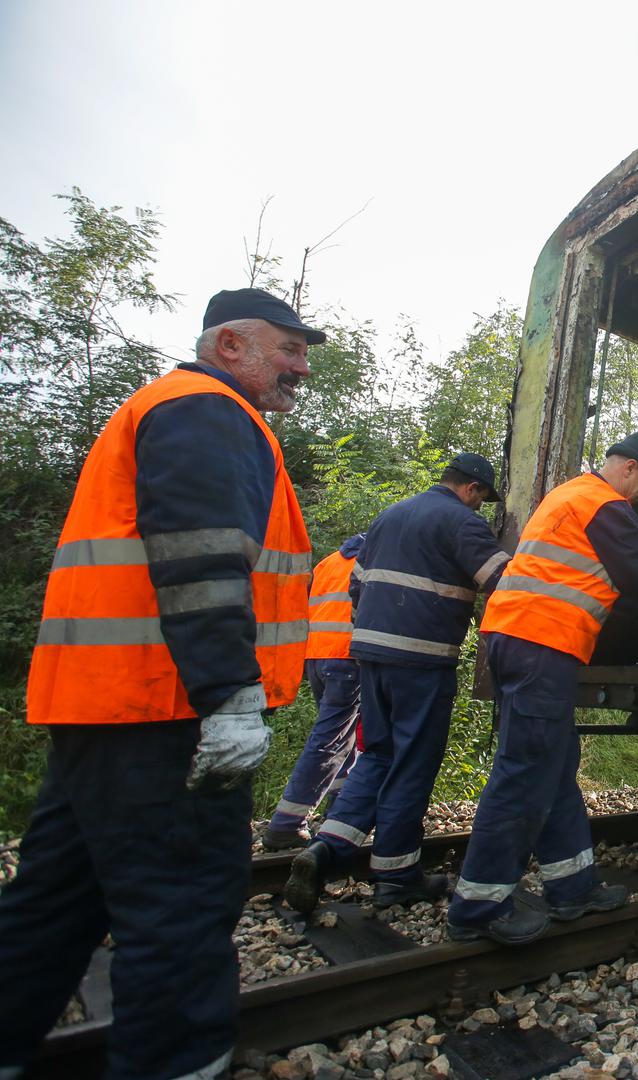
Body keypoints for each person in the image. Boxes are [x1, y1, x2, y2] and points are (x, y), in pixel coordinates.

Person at [0, 288, 321, 1079]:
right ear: (229, 347)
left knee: (54, 905)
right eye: (287, 348)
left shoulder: (170, 407)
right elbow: (204, 562)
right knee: (180, 913)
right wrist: (230, 698)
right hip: (164, 711)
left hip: (106, 705)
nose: (301, 368)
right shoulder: (206, 412)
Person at [446, 433, 638, 945]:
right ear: (629, 469)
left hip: (515, 639)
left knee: (554, 763)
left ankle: (572, 888)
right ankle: (477, 909)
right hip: (541, 644)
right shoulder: (606, 506)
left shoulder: (565, 497)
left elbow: (602, 583)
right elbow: (637, 577)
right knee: (523, 775)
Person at [285, 453, 510, 912]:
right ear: (472, 489)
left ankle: (325, 850)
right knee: (413, 762)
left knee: (378, 755)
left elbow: (356, 586)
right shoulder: (461, 522)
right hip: (421, 663)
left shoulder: (390, 516)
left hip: (369, 657)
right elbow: (504, 581)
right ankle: (396, 876)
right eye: (482, 500)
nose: (481, 508)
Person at [263, 533, 367, 849]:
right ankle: (287, 822)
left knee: (344, 741)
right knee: (330, 741)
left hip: (316, 658)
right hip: (346, 656)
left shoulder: (328, 562)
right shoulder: (370, 560)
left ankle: (337, 813)